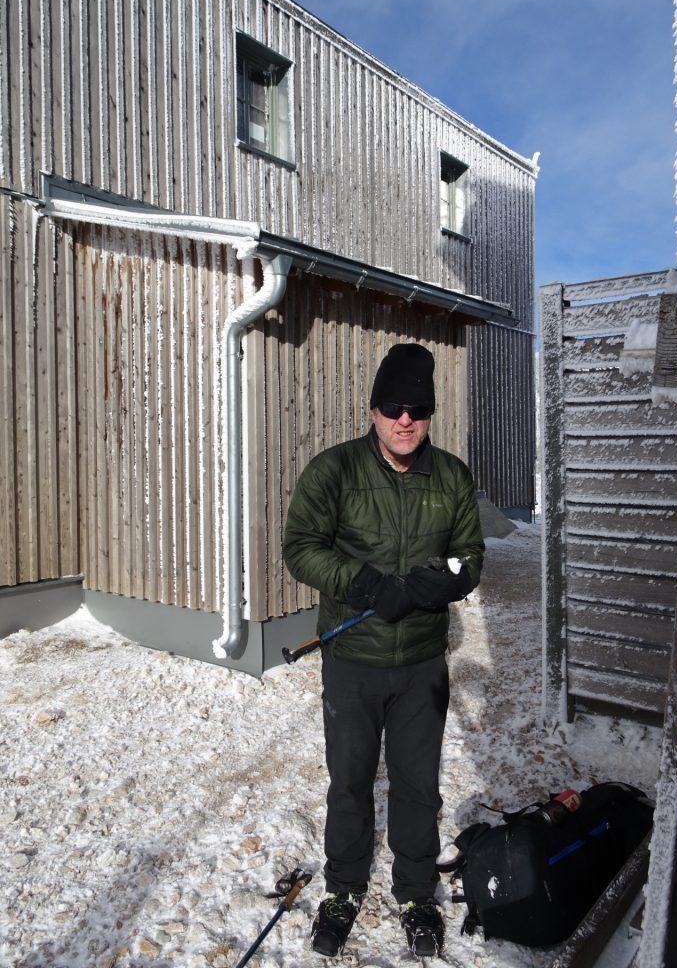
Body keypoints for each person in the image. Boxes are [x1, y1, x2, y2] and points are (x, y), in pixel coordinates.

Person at [282, 342, 484, 958]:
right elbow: (301, 546)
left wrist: (427, 584)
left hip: (422, 662)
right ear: (373, 410)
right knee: (349, 781)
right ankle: (343, 886)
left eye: (417, 409)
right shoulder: (335, 470)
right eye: (393, 406)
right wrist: (365, 583)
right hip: (353, 664)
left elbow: (468, 559)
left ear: (429, 414)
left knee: (418, 783)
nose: (405, 419)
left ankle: (418, 892)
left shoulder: (449, 476)